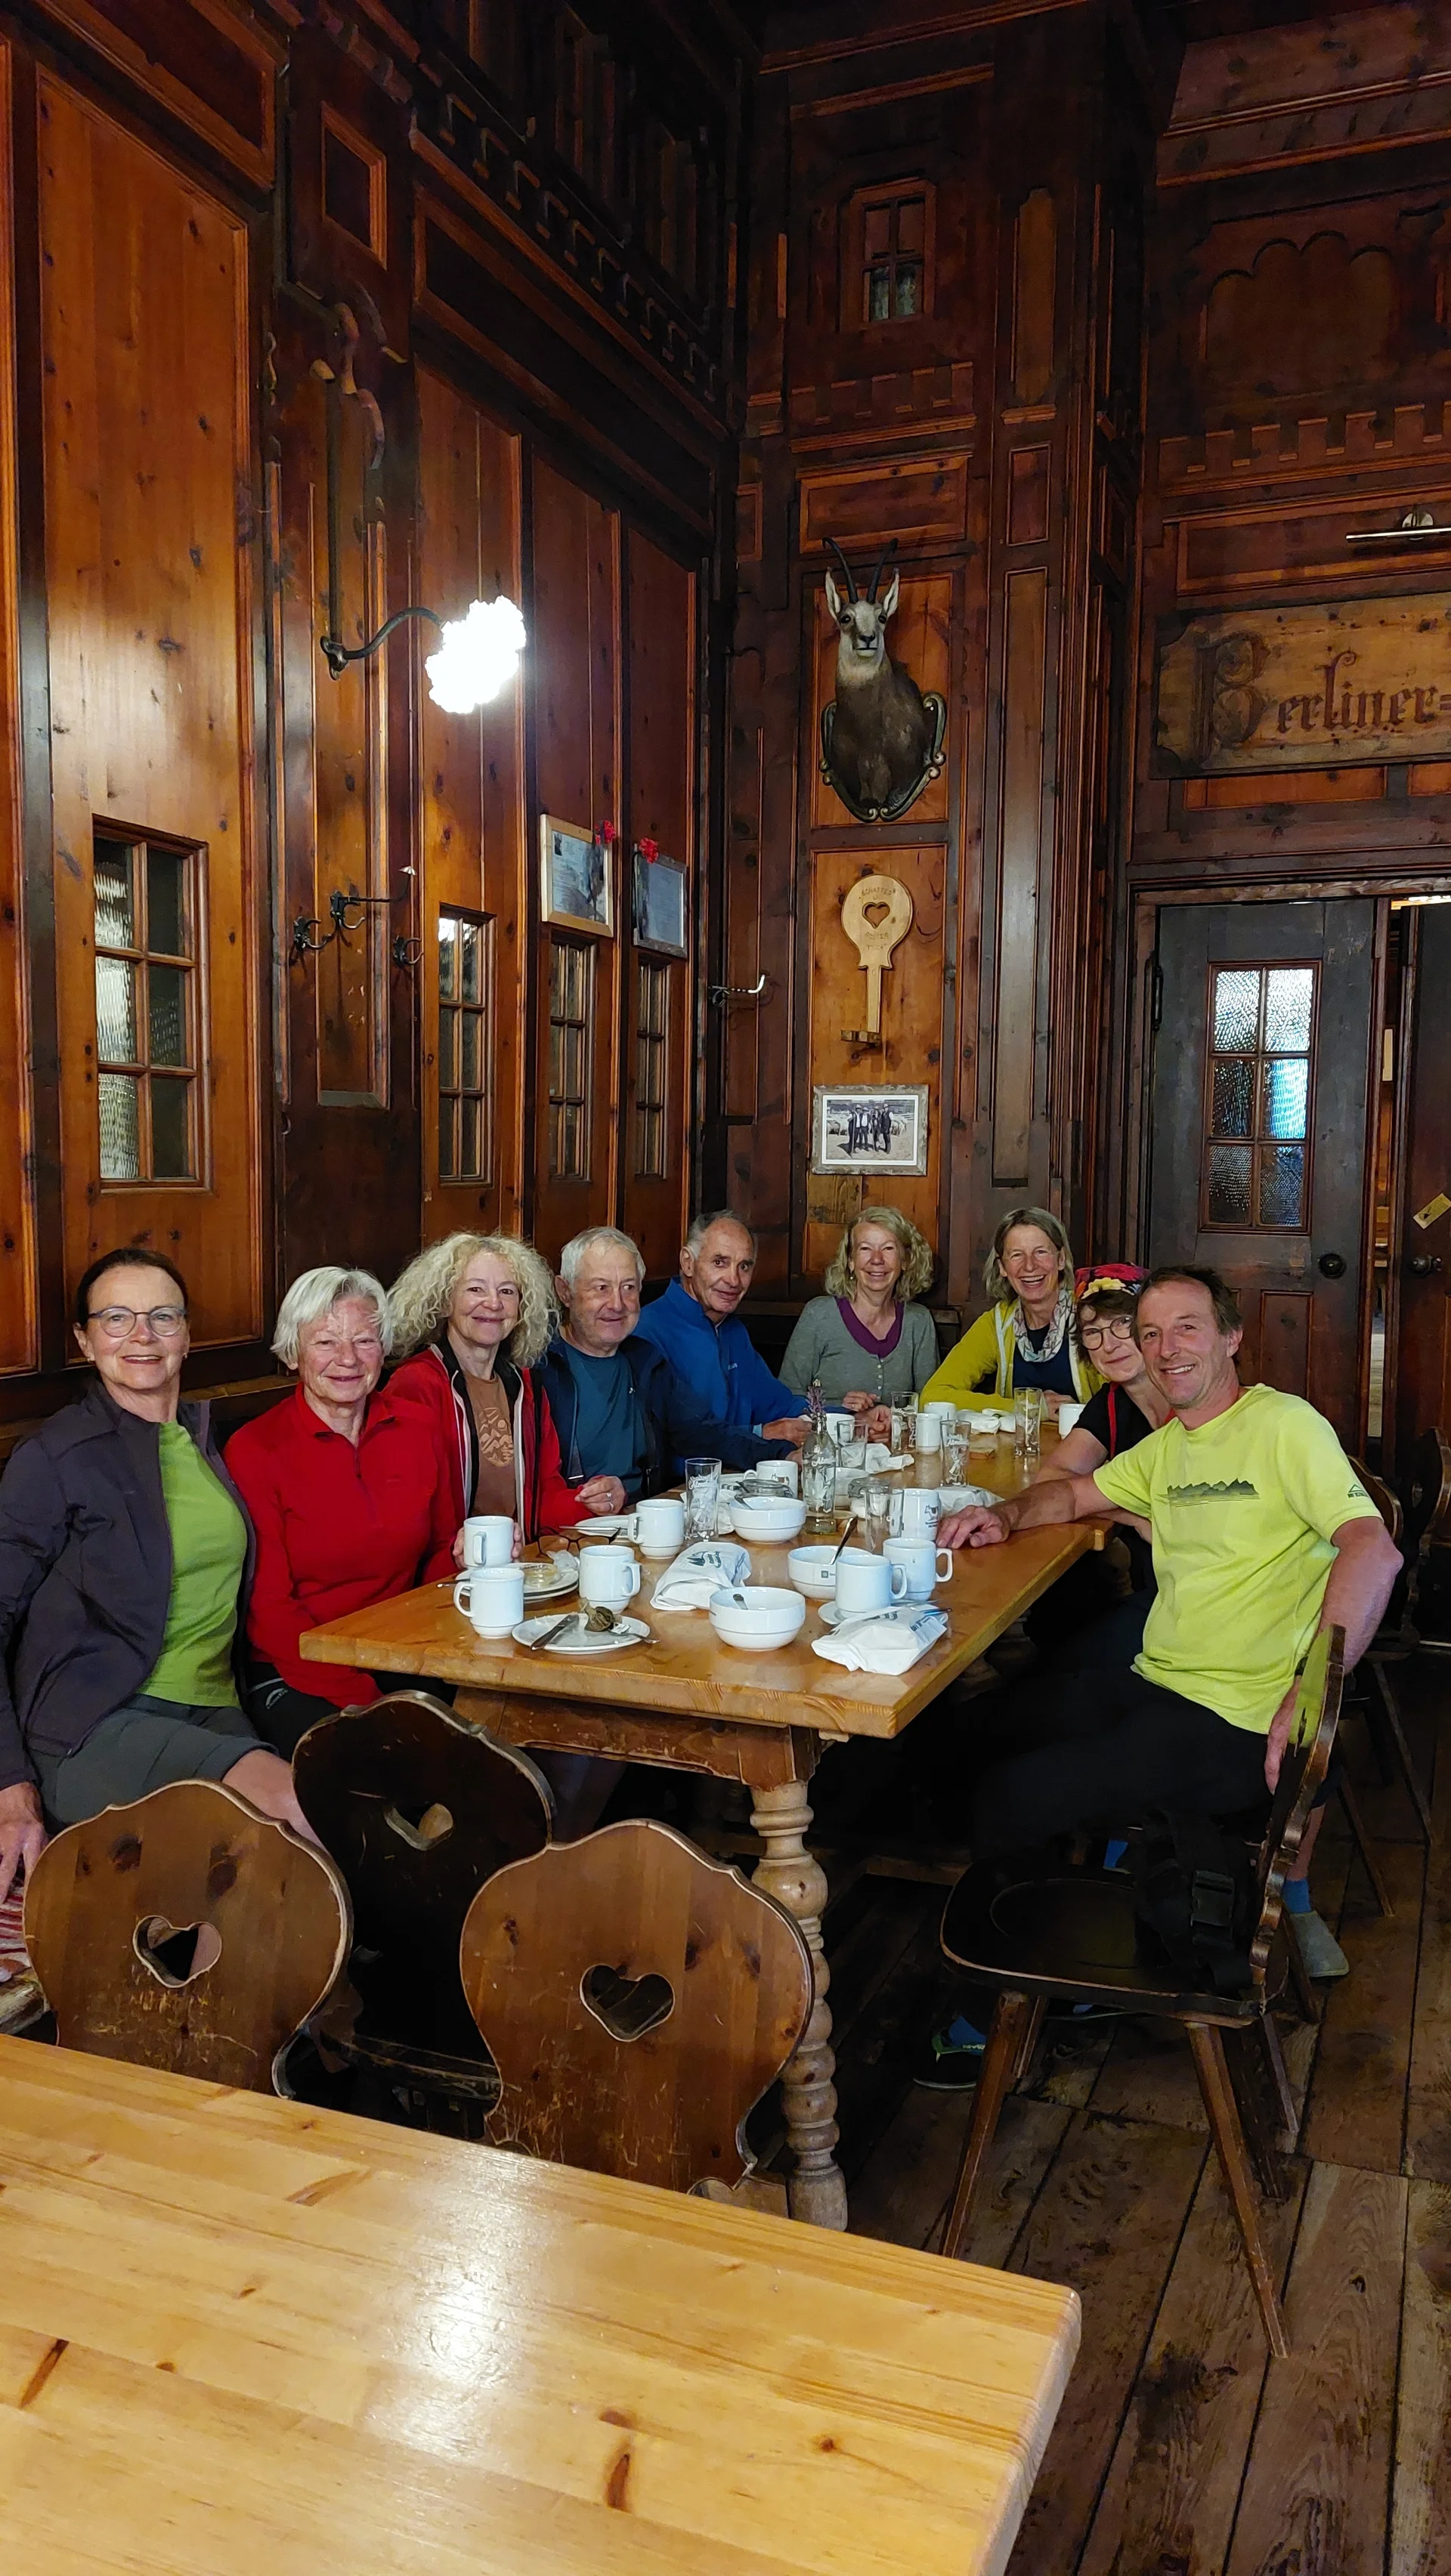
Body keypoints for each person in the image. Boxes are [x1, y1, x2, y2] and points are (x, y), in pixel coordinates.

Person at [939, 1266, 1400, 1949]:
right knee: (973, 1727)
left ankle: (1013, 2002)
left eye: (1186, 1327)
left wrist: (1306, 1696)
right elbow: (1068, 1495)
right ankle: (1059, 1919)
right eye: (1150, 1332)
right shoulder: (1170, 1447)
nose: (1166, 1347)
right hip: (1161, 1681)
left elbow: (1374, 1549)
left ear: (1231, 1337)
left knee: (1013, 1796)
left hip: (1240, 1718)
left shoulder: (1282, 1424)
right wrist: (1004, 1514)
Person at [0, 1250, 310, 1906]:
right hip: (93, 1725)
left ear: (188, 1335)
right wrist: (9, 1787)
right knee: (287, 1811)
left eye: (161, 1317)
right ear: (85, 1340)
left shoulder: (201, 1440)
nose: (142, 1336)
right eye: (117, 1318)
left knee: (268, 1871)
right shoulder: (54, 1458)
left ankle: (221, 2011)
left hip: (213, 1710)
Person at [226, 1266, 459, 1758]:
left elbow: (443, 1551)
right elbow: (269, 1611)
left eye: (364, 1340)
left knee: (494, 1740)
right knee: (374, 1764)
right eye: (326, 1342)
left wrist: (440, 1650)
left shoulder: (419, 1425)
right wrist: (368, 1700)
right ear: (293, 1354)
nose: (348, 1359)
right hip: (298, 1663)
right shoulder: (255, 1449)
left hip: (403, 1653)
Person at [386, 1232, 622, 1532]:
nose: (494, 1303)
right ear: (445, 1302)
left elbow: (542, 1503)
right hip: (451, 1571)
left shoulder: (525, 1385)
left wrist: (595, 1500)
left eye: (508, 1292)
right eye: (475, 1289)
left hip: (517, 1565)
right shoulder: (416, 1385)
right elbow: (411, 1517)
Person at [538, 1226, 779, 1497]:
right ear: (565, 1291)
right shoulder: (540, 1369)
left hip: (641, 1520)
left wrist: (783, 1455)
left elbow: (704, 1433)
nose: (617, 1304)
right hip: (571, 1531)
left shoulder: (644, 1360)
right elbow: (529, 1488)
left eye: (628, 1288)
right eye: (601, 1288)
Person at [633, 1211, 808, 1461]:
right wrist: (760, 1434)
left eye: (744, 1266)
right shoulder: (647, 1332)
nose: (734, 1280)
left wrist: (848, 1418)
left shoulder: (733, 1331)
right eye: (720, 1263)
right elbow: (676, 1438)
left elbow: (781, 1405)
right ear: (687, 1262)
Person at [920, 1206, 1100, 1417]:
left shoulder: (1090, 1319)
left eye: (1040, 1252)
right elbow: (933, 1396)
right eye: (1016, 1255)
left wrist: (1083, 1412)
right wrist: (1025, 1407)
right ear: (1002, 1267)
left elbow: (1128, 1399)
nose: (1030, 1266)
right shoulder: (997, 1323)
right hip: (1016, 1448)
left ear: (1061, 1260)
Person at [779, 1206, 941, 1411]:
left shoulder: (918, 1321)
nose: (877, 1259)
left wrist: (893, 1423)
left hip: (897, 1442)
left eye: (888, 1248)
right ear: (850, 1261)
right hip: (830, 1441)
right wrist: (840, 1409)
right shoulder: (819, 1315)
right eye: (865, 1249)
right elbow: (785, 1399)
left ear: (906, 1260)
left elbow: (929, 1404)